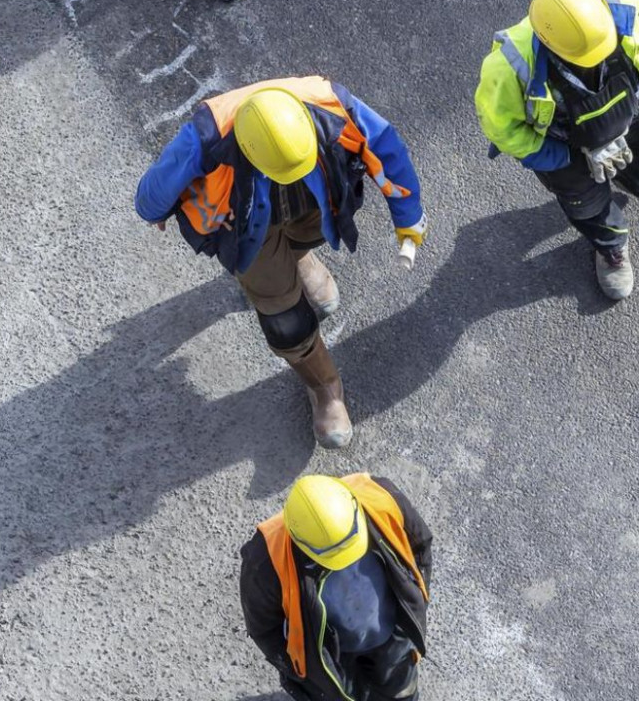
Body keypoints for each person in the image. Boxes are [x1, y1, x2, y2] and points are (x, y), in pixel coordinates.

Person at [135, 78, 426, 446]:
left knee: (310, 229)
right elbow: (154, 191)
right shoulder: (207, 134)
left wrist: (408, 217)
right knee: (284, 318)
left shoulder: (332, 104)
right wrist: (157, 208)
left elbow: (385, 146)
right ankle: (324, 385)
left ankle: (299, 257)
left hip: (312, 200)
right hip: (245, 221)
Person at [475, 0, 639, 299]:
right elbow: (504, 131)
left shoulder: (626, 2)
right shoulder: (507, 67)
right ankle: (611, 247)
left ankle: (630, 174)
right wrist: (562, 159)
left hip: (633, 107)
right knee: (585, 204)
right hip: (564, 144)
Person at [241, 473, 432, 700]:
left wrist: (415, 602)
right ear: (297, 539)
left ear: (354, 506)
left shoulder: (381, 498)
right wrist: (301, 669)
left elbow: (419, 545)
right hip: (333, 655)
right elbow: (265, 629)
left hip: (392, 635)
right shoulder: (266, 559)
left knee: (402, 690)